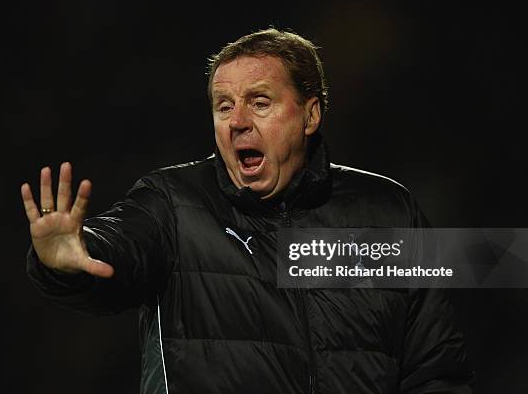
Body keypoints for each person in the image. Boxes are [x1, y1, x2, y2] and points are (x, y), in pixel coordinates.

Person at [23, 28, 474, 393]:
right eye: (224, 106)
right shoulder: (174, 203)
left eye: (259, 102)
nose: (237, 120)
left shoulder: (389, 212)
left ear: (310, 115)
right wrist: (71, 257)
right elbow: (121, 250)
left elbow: (435, 370)